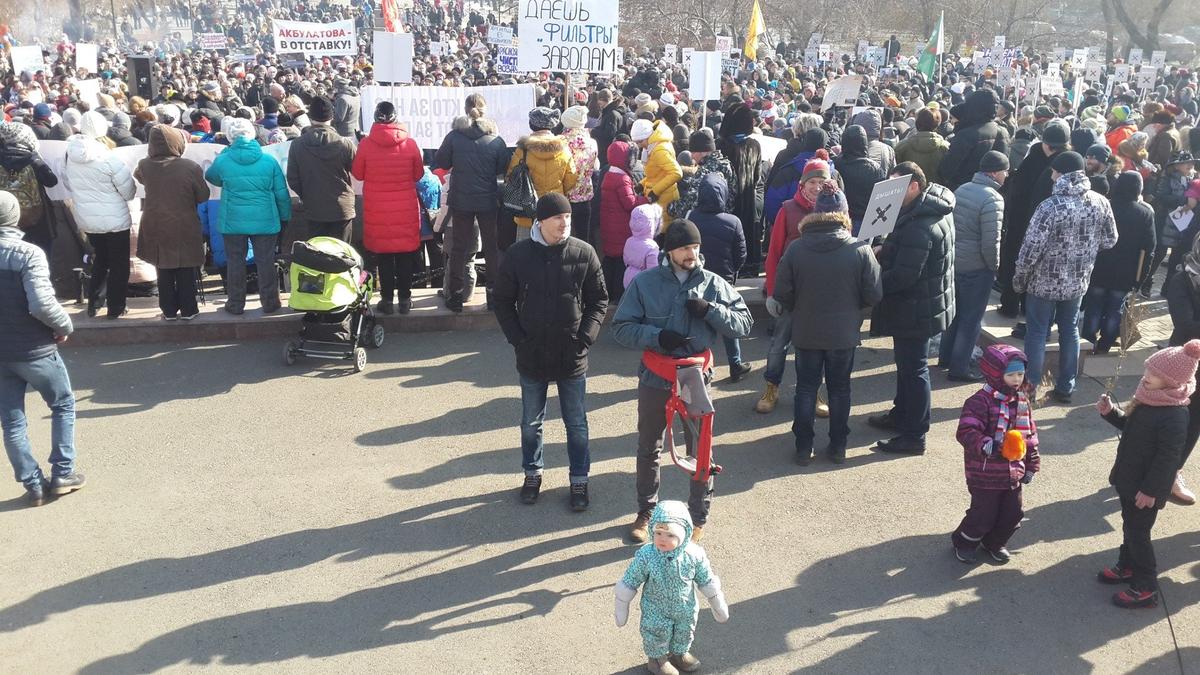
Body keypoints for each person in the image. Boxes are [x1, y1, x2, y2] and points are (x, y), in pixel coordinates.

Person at [612, 219, 753, 543]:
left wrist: (710, 311)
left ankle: (697, 516)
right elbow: (621, 327)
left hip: (694, 376)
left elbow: (743, 323)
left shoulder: (713, 283)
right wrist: (657, 335)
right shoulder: (645, 284)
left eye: (695, 247)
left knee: (700, 448)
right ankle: (646, 513)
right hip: (655, 374)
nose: (692, 253)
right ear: (670, 251)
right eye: (684, 248)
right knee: (649, 446)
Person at [493, 193, 608, 511]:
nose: (565, 223)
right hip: (531, 353)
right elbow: (501, 300)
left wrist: (585, 337)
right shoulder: (517, 255)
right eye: (558, 217)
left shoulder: (583, 253)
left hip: (572, 353)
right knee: (531, 421)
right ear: (540, 222)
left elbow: (599, 299)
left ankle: (579, 480)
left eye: (568, 217)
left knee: (576, 422)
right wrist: (517, 338)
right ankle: (532, 474)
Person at [770, 183, 881, 464]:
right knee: (840, 388)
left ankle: (803, 445)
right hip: (844, 333)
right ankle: (838, 446)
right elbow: (874, 294)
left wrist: (801, 306)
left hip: (806, 330)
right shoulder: (859, 249)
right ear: (844, 214)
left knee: (806, 388)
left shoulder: (797, 249)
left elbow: (782, 293)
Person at [1095, 340, 1200, 608]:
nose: (1146, 377)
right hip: (1130, 479)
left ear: (1172, 381)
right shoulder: (1148, 398)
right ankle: (1127, 564)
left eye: (1154, 374)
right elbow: (1130, 426)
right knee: (1130, 525)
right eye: (1147, 370)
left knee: (1139, 532)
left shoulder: (1175, 415)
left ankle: (1146, 585)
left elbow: (1168, 459)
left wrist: (1151, 490)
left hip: (1145, 488)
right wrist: (1111, 414)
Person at [1012, 151, 1117, 403]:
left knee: (1036, 334)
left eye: (1053, 170)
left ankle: (1029, 390)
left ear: (1060, 173)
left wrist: (1020, 278)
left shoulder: (1051, 206)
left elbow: (1030, 248)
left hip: (1043, 283)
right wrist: (1086, 250)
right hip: (1077, 282)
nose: (1050, 174)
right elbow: (1111, 239)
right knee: (1069, 330)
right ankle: (1066, 386)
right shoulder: (1100, 201)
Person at [0, 191, 83, 507]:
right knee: (62, 404)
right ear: (15, 216)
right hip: (35, 346)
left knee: (12, 420)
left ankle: (32, 484)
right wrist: (64, 326)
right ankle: (63, 472)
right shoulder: (27, 253)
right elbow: (42, 304)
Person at [867, 163, 955, 455]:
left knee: (914, 369)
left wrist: (872, 285)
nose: (890, 192)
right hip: (921, 304)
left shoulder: (920, 223)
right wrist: (885, 249)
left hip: (916, 307)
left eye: (896, 186)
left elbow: (905, 275)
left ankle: (914, 435)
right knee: (907, 367)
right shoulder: (924, 210)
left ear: (914, 186)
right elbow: (908, 253)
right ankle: (901, 415)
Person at [613, 501, 728, 675]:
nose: (662, 539)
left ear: (684, 534)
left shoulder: (694, 555)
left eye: (670, 535)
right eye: (658, 533)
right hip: (655, 608)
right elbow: (630, 580)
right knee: (656, 631)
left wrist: (717, 601)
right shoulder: (647, 555)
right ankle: (657, 660)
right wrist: (622, 604)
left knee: (685, 629)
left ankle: (679, 653)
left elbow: (706, 579)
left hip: (685, 607)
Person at [758, 158, 835, 414]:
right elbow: (773, 253)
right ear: (802, 183)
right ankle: (771, 387)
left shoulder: (835, 210)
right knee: (779, 344)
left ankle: (814, 392)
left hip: (820, 294)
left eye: (821, 182)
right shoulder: (787, 209)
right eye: (812, 181)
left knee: (815, 348)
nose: (816, 187)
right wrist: (771, 291)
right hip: (789, 292)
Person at [951, 345, 1040, 564]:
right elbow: (966, 431)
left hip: (1013, 473)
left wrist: (1031, 464)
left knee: (1013, 514)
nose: (1016, 379)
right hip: (985, 472)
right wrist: (986, 443)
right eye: (1010, 374)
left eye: (1020, 374)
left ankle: (994, 542)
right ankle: (964, 541)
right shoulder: (979, 402)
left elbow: (1030, 435)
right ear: (994, 374)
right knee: (983, 515)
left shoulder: (1021, 402)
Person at [204, 117, 292, 316]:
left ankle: (235, 304)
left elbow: (211, 177)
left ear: (229, 137)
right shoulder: (269, 160)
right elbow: (281, 194)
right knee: (266, 262)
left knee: (235, 262)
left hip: (232, 221)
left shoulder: (224, 159)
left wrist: (226, 155)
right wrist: (285, 217)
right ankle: (270, 303)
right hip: (265, 220)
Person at [434, 93, 509, 313]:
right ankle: (494, 296)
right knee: (492, 248)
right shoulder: (495, 139)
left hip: (461, 199)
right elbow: (501, 168)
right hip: (487, 198)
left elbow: (442, 162)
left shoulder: (454, 136)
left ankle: (456, 295)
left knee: (459, 248)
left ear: (466, 109)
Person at [939, 151, 1008, 381]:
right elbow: (991, 242)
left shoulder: (963, 189)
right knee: (971, 321)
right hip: (977, 268)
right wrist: (994, 266)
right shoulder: (993, 199)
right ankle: (959, 368)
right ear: (996, 173)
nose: (1006, 176)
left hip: (955, 262)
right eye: (1005, 172)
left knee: (954, 314)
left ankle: (945, 357)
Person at [351, 101, 425, 315]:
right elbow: (418, 174)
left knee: (383, 256)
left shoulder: (365, 144)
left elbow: (358, 174)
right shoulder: (410, 144)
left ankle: (386, 301)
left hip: (378, 210)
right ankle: (404, 300)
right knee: (404, 255)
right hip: (405, 208)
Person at [63, 111, 136, 319]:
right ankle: (116, 307)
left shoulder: (69, 155)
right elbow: (128, 191)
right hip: (115, 219)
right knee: (119, 264)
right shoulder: (109, 156)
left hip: (87, 218)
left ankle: (94, 304)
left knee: (101, 260)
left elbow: (68, 183)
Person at [133, 125, 210, 320]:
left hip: (155, 222)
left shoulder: (144, 165)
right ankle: (188, 309)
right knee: (186, 266)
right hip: (184, 221)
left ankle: (168, 310)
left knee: (163, 266)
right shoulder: (190, 167)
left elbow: (139, 177)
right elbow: (203, 195)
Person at [998, 119, 1070, 319]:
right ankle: (1011, 304)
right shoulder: (1037, 154)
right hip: (1021, 221)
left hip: (1046, 223)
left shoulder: (1062, 161)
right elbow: (1019, 185)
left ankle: (1024, 306)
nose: (1051, 149)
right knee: (1017, 262)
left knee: (1034, 266)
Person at [1082, 172, 1156, 354]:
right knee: (1116, 308)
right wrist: (1141, 278)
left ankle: (1087, 340)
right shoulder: (1144, 213)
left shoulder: (1105, 205)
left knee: (1094, 305)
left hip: (1098, 267)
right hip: (1126, 271)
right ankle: (1106, 343)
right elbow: (1149, 248)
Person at [685, 173, 749, 380]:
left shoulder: (690, 217)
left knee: (696, 321)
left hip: (695, 277)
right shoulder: (733, 221)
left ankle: (693, 368)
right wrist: (733, 273)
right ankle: (735, 364)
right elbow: (741, 255)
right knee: (727, 321)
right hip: (724, 279)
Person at [286, 95, 356, 242]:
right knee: (341, 256)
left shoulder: (297, 145)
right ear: (331, 117)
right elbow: (358, 171)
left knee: (318, 257)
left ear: (311, 118)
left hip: (314, 208)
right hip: (342, 207)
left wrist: (307, 195)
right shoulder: (345, 144)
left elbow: (293, 178)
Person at [506, 107, 578, 242]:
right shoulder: (564, 149)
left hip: (526, 211)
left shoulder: (523, 149)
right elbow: (571, 178)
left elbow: (511, 176)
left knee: (525, 254)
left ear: (532, 125)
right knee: (555, 254)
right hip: (554, 211)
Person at [718, 104, 766, 274]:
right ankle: (748, 265)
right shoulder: (754, 145)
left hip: (726, 201)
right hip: (748, 199)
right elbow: (757, 176)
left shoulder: (722, 145)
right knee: (747, 233)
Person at [0, 120, 59, 254]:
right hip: (36, 217)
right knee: (42, 251)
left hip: (5, 217)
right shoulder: (33, 159)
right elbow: (51, 181)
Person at [599, 140, 647, 304]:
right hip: (620, 228)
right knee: (620, 262)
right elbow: (630, 203)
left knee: (609, 260)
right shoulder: (622, 178)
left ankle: (605, 293)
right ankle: (618, 296)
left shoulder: (609, 174)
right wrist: (646, 199)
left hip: (609, 226)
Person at [939, 90, 1010, 191]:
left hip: (961, 191)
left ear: (973, 106)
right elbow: (1004, 165)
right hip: (991, 192)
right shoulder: (1003, 132)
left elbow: (947, 169)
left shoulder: (966, 135)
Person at [631, 118, 683, 224]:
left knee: (662, 234)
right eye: (637, 142)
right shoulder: (654, 147)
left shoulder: (659, 150)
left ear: (648, 136)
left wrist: (655, 192)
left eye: (640, 141)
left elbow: (676, 173)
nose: (640, 145)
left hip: (664, 199)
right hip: (661, 197)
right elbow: (657, 174)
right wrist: (642, 184)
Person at [560, 105, 599, 245]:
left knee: (563, 239)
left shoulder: (559, 141)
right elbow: (595, 167)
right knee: (584, 239)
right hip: (585, 195)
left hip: (564, 197)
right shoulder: (592, 142)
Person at [837, 125, 886, 234]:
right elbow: (882, 199)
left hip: (841, 219)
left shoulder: (837, 164)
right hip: (866, 221)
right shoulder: (875, 169)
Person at [895, 109, 949, 187]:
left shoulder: (902, 146)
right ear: (937, 123)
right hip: (936, 192)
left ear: (917, 122)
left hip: (909, 192)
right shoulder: (946, 147)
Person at [623, 203, 662, 289]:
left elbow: (625, 261)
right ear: (652, 224)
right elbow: (653, 272)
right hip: (643, 282)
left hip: (628, 277)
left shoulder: (629, 241)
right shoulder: (652, 247)